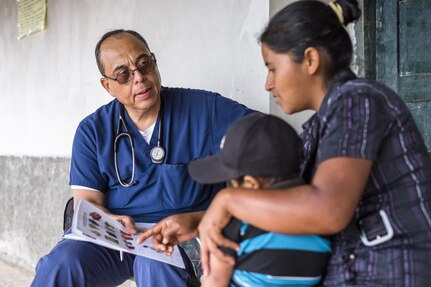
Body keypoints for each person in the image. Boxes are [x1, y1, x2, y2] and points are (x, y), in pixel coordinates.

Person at [197, 0, 431, 286]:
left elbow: (328, 211)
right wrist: (202, 221)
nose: (268, 84)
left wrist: (226, 201)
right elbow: (289, 206)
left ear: (310, 60)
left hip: (394, 270)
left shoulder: (358, 100)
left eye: (272, 68)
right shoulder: (315, 131)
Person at [31, 29, 254, 287]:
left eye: (144, 64)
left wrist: (212, 213)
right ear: (108, 86)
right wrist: (107, 219)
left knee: (156, 265)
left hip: (182, 232)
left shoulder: (205, 109)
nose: (139, 78)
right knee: (61, 266)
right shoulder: (93, 130)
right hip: (117, 237)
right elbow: (87, 203)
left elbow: (266, 137)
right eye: (123, 74)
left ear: (154, 62)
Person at [187, 113, 331, 287]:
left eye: (231, 183)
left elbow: (215, 280)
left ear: (250, 184)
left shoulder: (235, 224)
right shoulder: (322, 219)